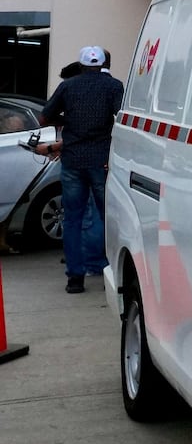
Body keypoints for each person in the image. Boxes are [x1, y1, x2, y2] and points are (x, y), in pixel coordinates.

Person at [41, 45, 124, 293]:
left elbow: (44, 117)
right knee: (108, 217)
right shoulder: (114, 86)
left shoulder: (68, 86)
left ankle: (75, 278)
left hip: (73, 160)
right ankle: (111, 273)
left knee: (73, 220)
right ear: (103, 64)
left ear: (80, 65)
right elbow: (121, 118)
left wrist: (67, 121)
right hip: (100, 160)